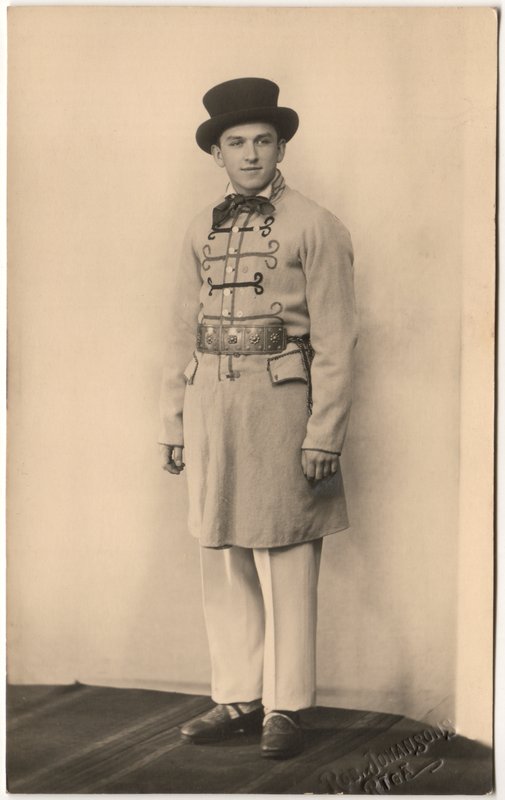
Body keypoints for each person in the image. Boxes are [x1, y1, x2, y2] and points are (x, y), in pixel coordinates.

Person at [159, 77, 358, 759]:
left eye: (263, 141)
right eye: (236, 143)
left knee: (287, 553)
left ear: (281, 148)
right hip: (212, 409)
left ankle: (287, 706)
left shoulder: (316, 224)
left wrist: (324, 433)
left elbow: (337, 340)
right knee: (223, 555)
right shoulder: (200, 227)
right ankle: (237, 696)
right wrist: (172, 421)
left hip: (282, 411)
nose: (250, 154)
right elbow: (179, 332)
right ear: (216, 153)